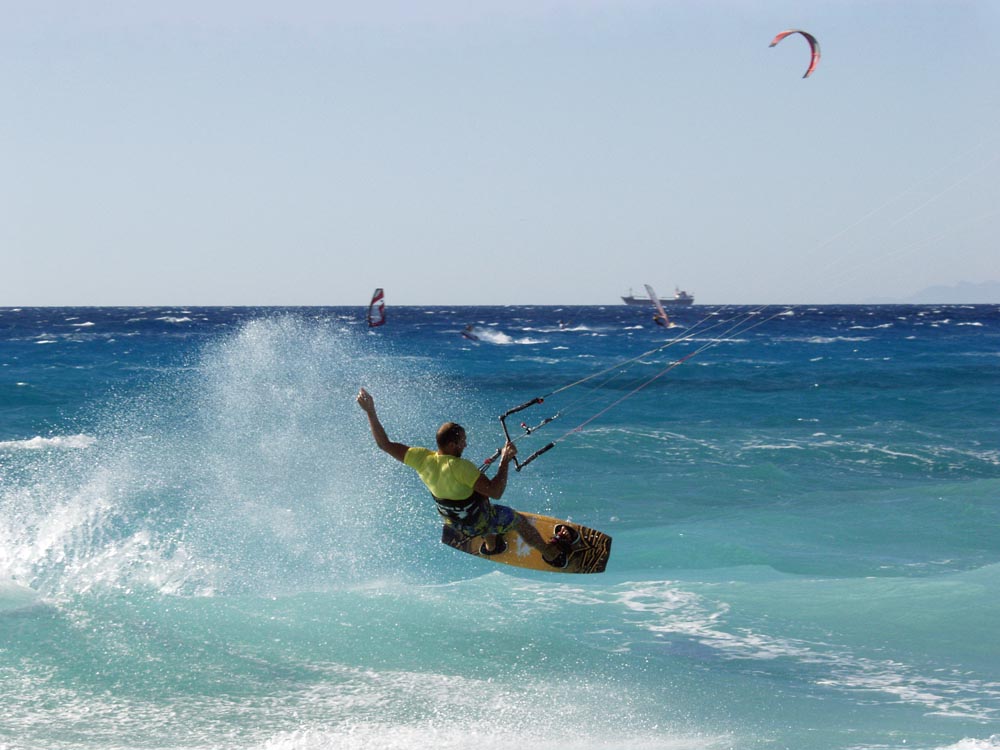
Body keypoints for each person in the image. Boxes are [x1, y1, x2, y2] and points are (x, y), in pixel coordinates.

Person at [356, 388, 568, 565]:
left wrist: (370, 412)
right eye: (462, 441)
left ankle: (492, 546)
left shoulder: (421, 458)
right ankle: (552, 555)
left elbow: (384, 444)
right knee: (515, 521)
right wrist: (504, 460)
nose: (465, 444)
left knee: (479, 505)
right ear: (451, 444)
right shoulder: (461, 468)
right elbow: (496, 492)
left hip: (453, 524)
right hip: (477, 521)